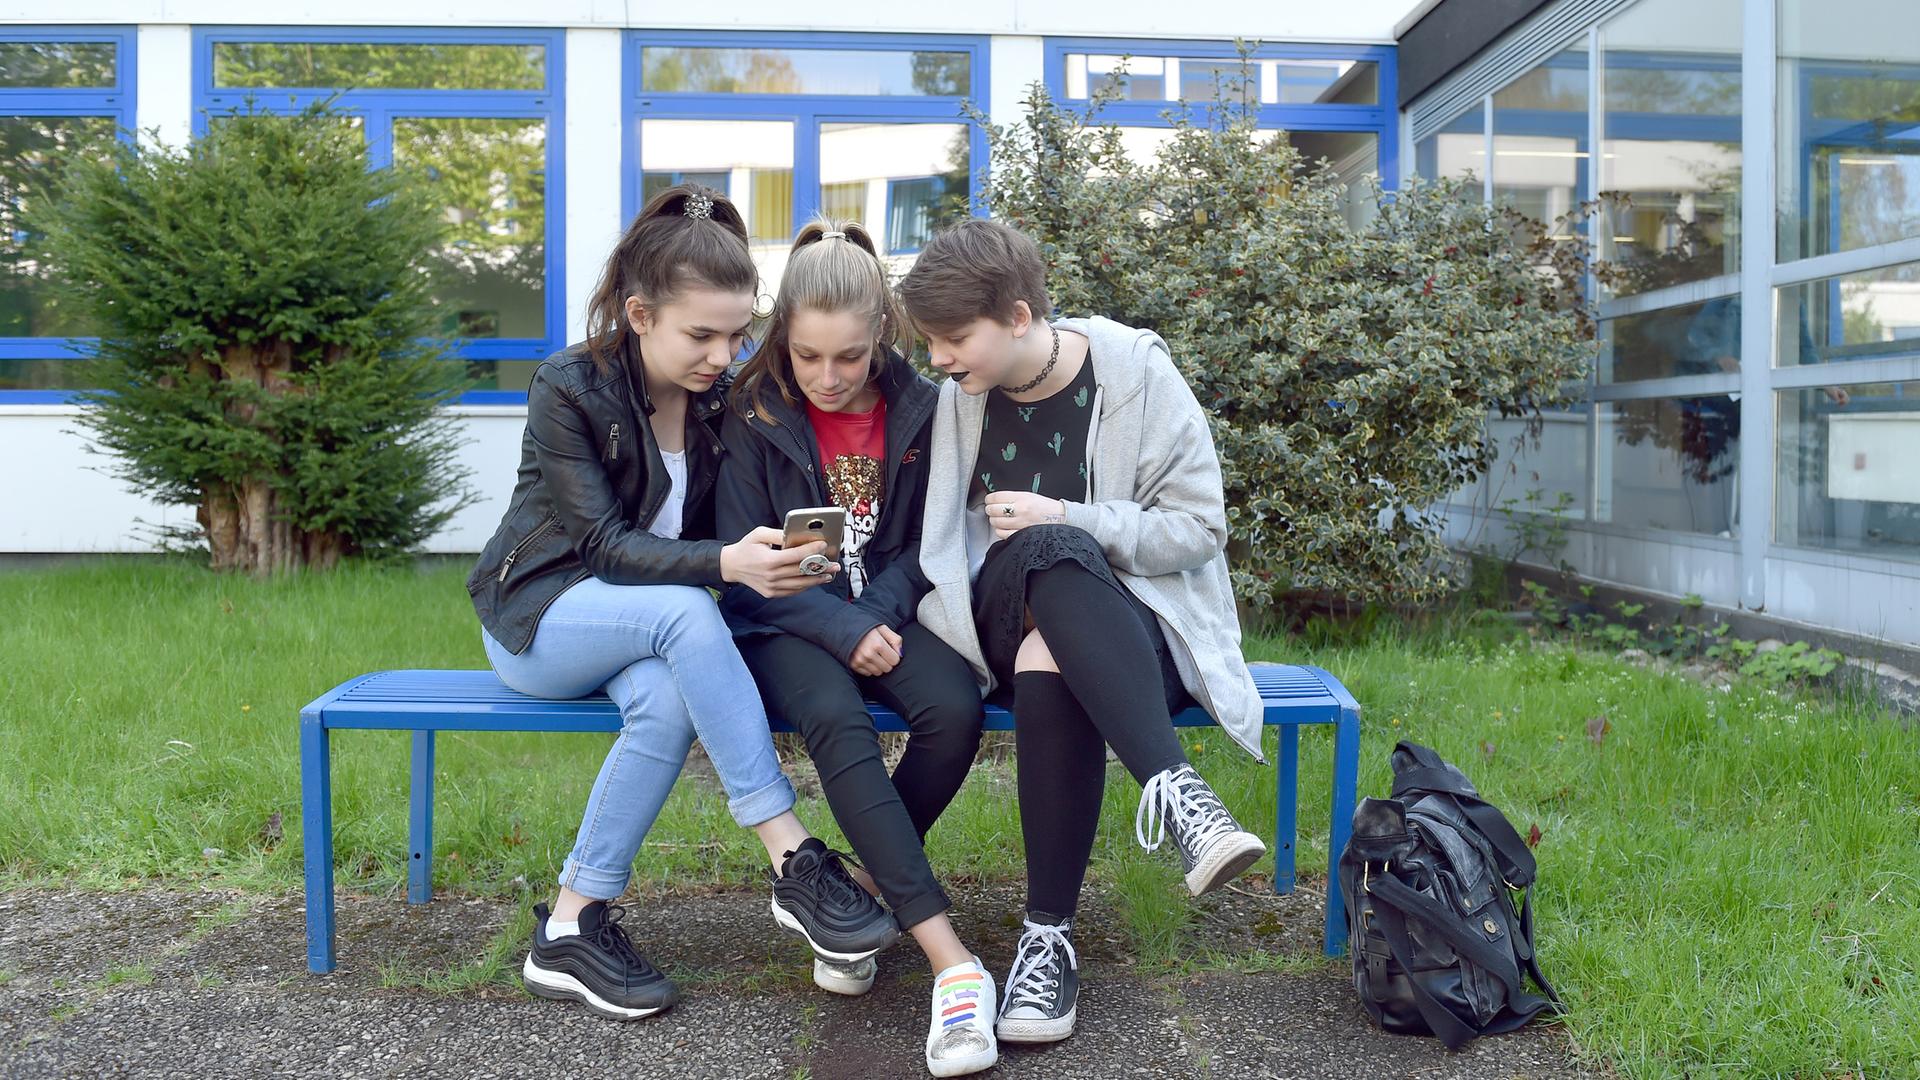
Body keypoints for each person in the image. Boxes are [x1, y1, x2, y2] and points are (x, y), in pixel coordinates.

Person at [466, 184, 894, 1024]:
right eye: (701, 335)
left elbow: (730, 523)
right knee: (687, 611)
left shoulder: (719, 401)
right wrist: (727, 563)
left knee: (666, 700)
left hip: (645, 639)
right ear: (640, 314)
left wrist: (777, 559)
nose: (722, 354)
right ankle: (793, 858)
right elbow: (603, 547)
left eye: (737, 334)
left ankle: (570, 926)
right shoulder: (569, 387)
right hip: (541, 620)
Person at [897, 218, 1268, 1046]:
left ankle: (1047, 942)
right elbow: (942, 544)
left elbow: (1200, 527)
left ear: (1018, 316)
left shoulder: (1135, 373)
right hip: (996, 617)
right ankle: (1181, 798)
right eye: (931, 342)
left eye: (955, 339)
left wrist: (1075, 515)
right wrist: (1055, 531)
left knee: (1052, 644)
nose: (940, 360)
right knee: (1045, 556)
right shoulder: (959, 400)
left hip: (1137, 634)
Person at [717, 217, 996, 1077]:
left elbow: (929, 541)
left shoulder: (925, 405)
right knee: (837, 720)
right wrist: (842, 629)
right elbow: (741, 573)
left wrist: (872, 616)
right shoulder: (752, 412)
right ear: (782, 338)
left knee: (954, 708)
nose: (827, 376)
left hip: (888, 609)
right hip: (784, 621)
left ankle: (856, 897)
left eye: (848, 356)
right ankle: (951, 959)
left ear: (882, 331)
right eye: (807, 356)